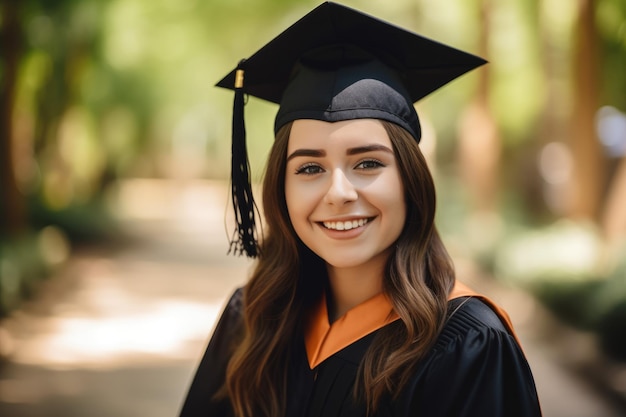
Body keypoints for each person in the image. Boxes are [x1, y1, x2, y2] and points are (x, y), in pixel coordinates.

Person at [179, 2, 542, 417]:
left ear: (410, 179)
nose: (339, 192)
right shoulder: (253, 319)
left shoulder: (467, 345)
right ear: (281, 188)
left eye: (368, 163)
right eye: (310, 167)